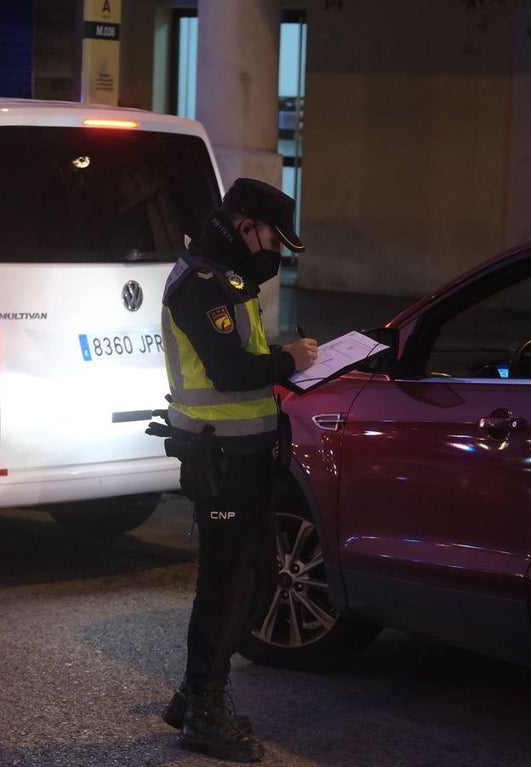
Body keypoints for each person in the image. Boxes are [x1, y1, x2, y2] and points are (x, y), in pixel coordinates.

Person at [157, 178, 318, 763]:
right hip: (219, 455)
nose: (274, 252)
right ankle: (204, 708)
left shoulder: (228, 278)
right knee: (227, 586)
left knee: (243, 580)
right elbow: (227, 369)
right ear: (245, 225)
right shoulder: (202, 282)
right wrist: (287, 359)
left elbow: (235, 361)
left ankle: (192, 694)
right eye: (272, 238)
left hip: (241, 452)